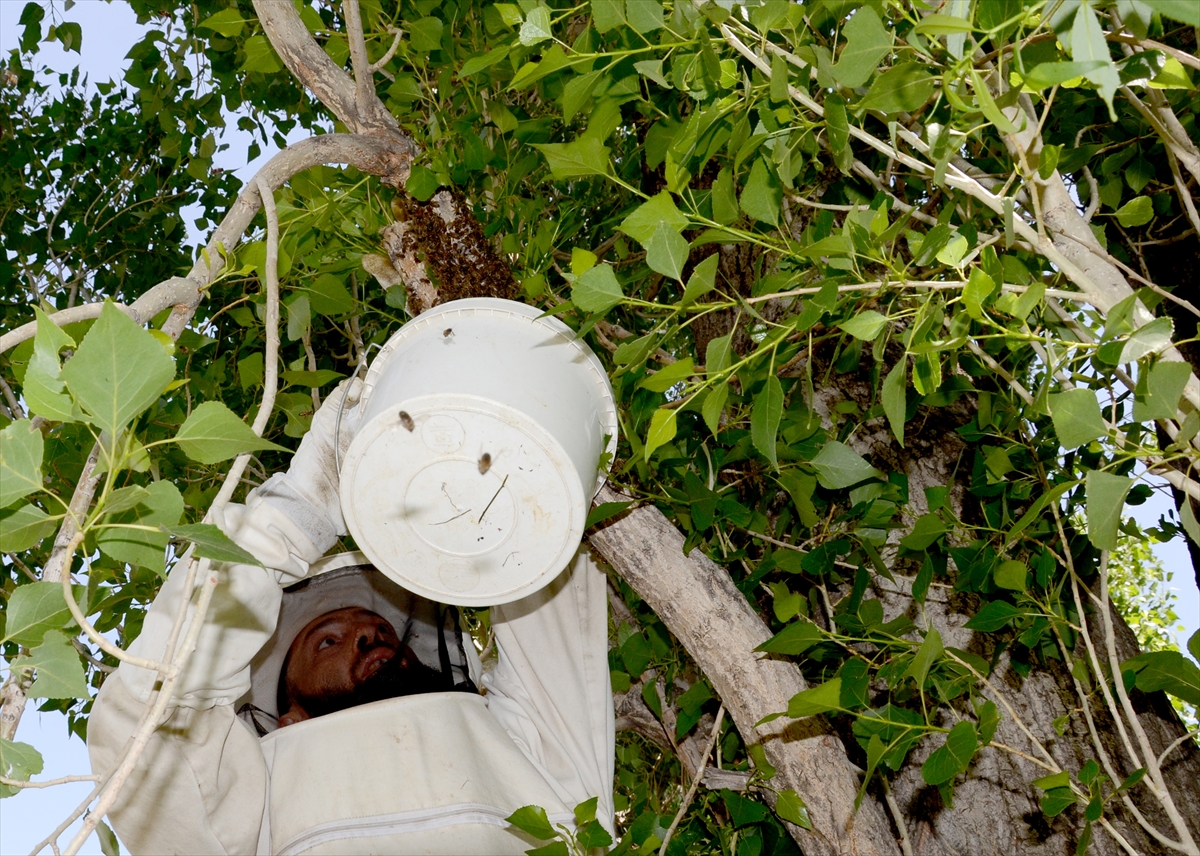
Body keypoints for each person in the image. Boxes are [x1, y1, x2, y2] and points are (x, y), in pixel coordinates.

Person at [88, 379, 615, 855]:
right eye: (326, 641)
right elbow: (144, 720)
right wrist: (300, 510)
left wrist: (499, 467)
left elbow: (556, 597)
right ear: (288, 716)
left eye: (382, 629)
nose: (368, 633)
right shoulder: (255, 795)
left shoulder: (513, 733)